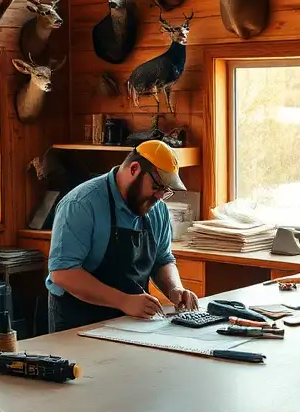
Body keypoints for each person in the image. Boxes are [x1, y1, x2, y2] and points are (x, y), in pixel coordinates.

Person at [45, 140, 197, 332]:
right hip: (79, 319)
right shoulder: (81, 204)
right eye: (157, 186)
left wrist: (174, 289)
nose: (159, 196)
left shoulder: (157, 209)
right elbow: (63, 273)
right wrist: (124, 301)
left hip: (132, 318)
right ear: (134, 169)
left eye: (166, 190)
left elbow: (162, 259)